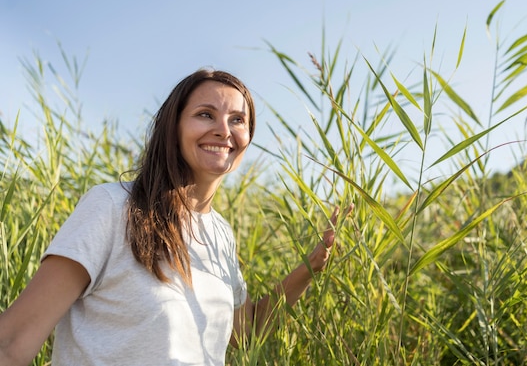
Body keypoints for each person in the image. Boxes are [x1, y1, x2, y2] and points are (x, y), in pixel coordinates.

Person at [0, 69, 350, 366]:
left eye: (237, 120)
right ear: (174, 126)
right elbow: (12, 341)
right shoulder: (111, 206)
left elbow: (245, 331)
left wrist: (311, 265)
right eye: (205, 114)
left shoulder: (220, 234)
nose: (224, 130)